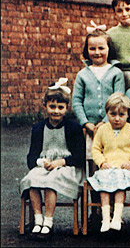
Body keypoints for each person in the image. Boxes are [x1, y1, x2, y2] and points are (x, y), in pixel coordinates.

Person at [20, 81, 85, 240]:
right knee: (32, 178)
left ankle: (48, 221)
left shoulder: (73, 128)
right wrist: (42, 163)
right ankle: (38, 219)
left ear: (66, 108)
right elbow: (31, 158)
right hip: (45, 165)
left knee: (52, 180)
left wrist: (60, 162)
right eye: (52, 107)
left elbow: (79, 157)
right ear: (45, 106)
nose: (56, 111)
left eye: (60, 107)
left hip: (67, 167)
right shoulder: (38, 129)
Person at [87, 93, 130, 233]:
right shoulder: (102, 130)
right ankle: (105, 218)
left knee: (120, 183)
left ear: (128, 114)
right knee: (104, 183)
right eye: (113, 114)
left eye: (121, 114)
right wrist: (102, 162)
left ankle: (116, 217)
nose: (116, 118)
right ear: (107, 113)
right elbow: (96, 149)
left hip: (126, 170)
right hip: (108, 169)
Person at [72, 27, 125, 169]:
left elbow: (119, 99)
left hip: (110, 127)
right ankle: (94, 192)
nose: (97, 52)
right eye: (92, 48)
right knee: (92, 163)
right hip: (90, 128)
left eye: (101, 48)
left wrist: (106, 122)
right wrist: (85, 123)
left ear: (109, 49)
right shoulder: (83, 74)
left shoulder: (116, 73)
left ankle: (110, 191)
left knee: (109, 162)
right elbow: (76, 101)